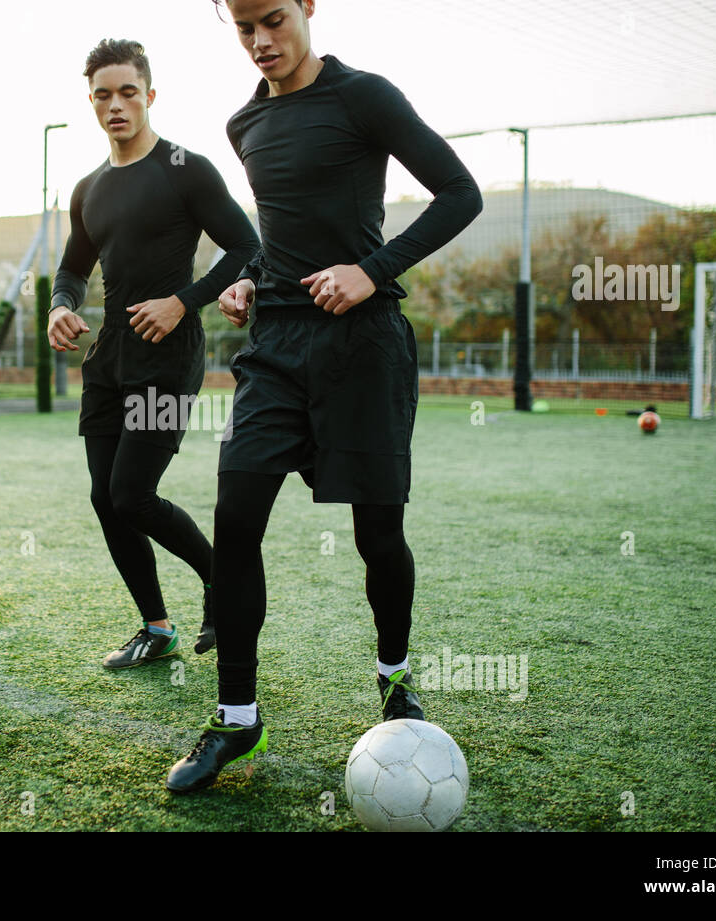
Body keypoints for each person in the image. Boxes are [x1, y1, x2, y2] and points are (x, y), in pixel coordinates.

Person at [166, 0, 483, 792]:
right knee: (236, 518)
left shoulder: (364, 96)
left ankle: (396, 676)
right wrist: (247, 280)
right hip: (275, 346)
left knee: (378, 532)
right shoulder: (244, 124)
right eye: (243, 28)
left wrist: (371, 270)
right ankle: (236, 717)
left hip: (364, 347)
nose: (260, 41)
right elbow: (282, 235)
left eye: (272, 19)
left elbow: (460, 193)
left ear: (309, 6)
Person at [48, 39, 260, 668]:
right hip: (109, 358)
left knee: (133, 493)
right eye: (103, 95)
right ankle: (156, 627)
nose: (115, 105)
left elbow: (247, 247)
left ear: (149, 95)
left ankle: (222, 578)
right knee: (103, 496)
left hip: (169, 359)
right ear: (91, 102)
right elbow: (72, 266)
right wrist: (62, 304)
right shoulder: (88, 188)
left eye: (127, 92)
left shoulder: (185, 169)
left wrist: (184, 301)